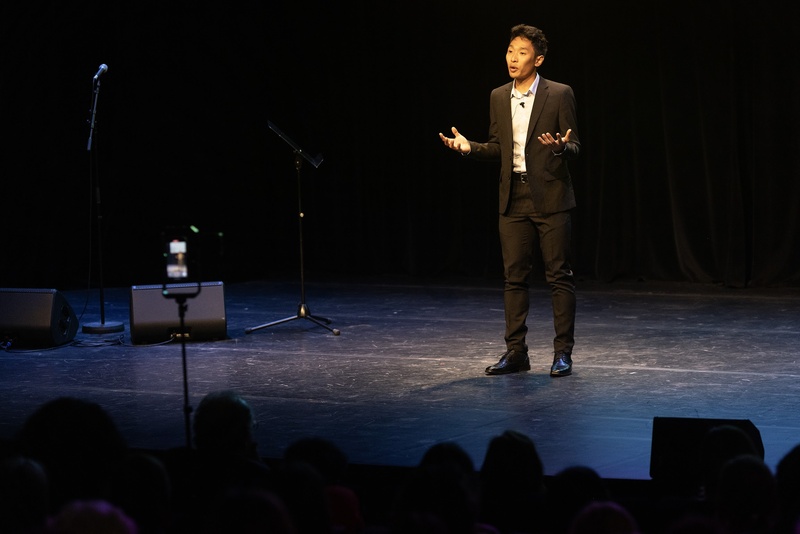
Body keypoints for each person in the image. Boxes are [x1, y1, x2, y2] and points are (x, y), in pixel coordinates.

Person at [439, 23, 580, 376]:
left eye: (522, 53)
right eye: (510, 51)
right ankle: (516, 352)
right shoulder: (498, 96)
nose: (513, 58)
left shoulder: (560, 94)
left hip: (551, 194)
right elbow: (499, 147)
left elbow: (574, 145)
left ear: (539, 59)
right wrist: (471, 148)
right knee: (513, 278)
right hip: (512, 195)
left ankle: (563, 353)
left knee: (558, 276)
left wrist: (562, 147)